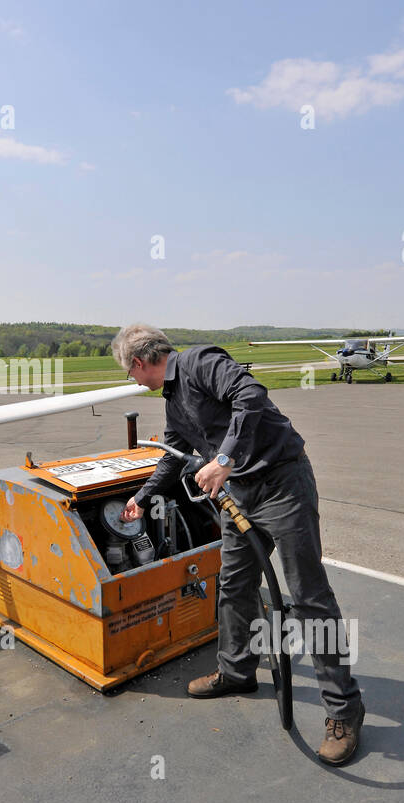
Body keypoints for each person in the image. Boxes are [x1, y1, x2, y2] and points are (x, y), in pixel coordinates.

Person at [112, 323, 365, 765]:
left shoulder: (199, 362)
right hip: (240, 497)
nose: (133, 381)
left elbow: (251, 396)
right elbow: (174, 455)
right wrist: (141, 497)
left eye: (130, 373)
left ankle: (345, 710)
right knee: (233, 585)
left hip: (281, 484)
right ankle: (236, 671)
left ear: (139, 362)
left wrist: (223, 460)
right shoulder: (173, 400)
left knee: (308, 597)